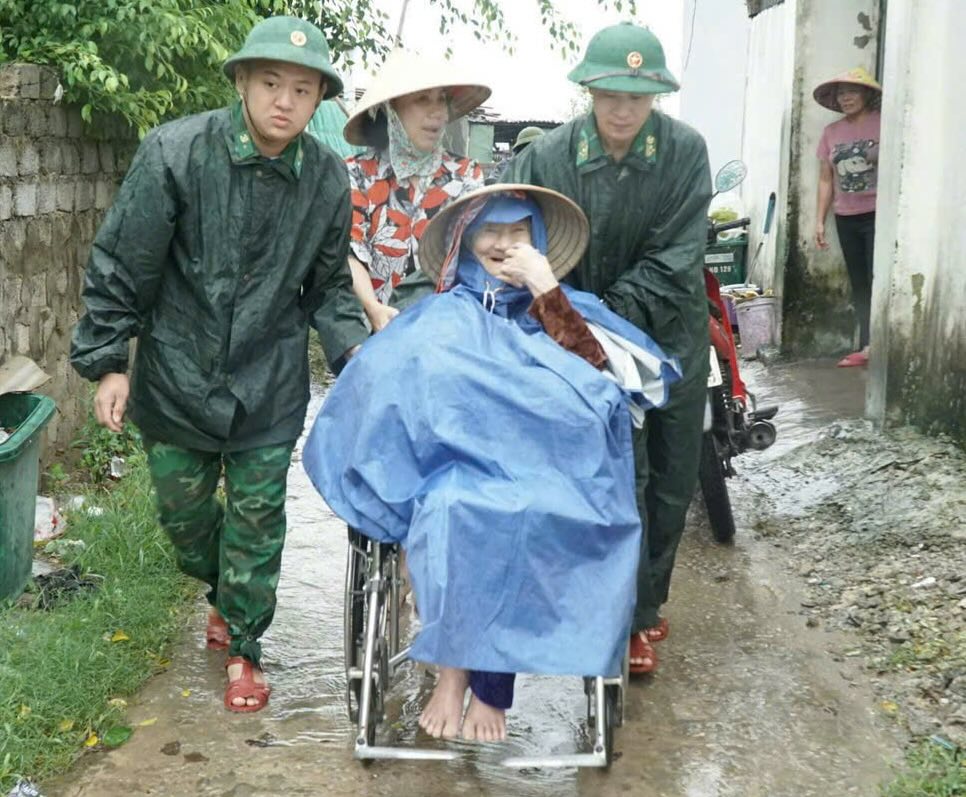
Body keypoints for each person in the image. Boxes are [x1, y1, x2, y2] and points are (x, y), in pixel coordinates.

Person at [303, 185, 680, 740]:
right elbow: (387, 394)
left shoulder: (565, 310)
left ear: (540, 242)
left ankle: (491, 689)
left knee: (523, 514)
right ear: (464, 241)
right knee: (454, 514)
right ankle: (454, 676)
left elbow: (610, 384)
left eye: (519, 233)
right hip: (451, 476)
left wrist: (545, 289)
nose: (504, 245)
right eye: (490, 233)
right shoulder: (437, 317)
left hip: (550, 476)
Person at [69, 16, 369, 713]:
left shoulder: (326, 179)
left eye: (302, 89)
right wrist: (110, 361)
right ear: (241, 80)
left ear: (318, 98)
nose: (284, 102)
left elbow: (328, 283)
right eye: (270, 83)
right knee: (185, 519)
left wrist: (354, 351)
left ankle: (243, 646)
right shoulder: (176, 153)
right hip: (177, 374)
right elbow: (124, 261)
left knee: (259, 517)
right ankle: (222, 591)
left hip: (269, 381)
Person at [502, 22, 712, 675]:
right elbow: (511, 226)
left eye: (639, 94)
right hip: (582, 343)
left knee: (671, 480)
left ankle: (645, 604)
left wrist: (591, 314)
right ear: (589, 88)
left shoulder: (685, 153)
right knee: (617, 473)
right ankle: (621, 617)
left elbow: (676, 261)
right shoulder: (548, 156)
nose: (623, 108)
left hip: (668, 335)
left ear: (657, 97)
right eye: (611, 92)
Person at [342, 49, 490, 332]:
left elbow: (470, 259)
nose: (436, 112)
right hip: (374, 334)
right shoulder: (357, 174)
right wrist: (374, 309)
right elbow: (351, 252)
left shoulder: (466, 176)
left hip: (446, 333)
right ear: (392, 109)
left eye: (441, 100)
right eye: (422, 100)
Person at [813, 67, 882, 368]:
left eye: (852, 91)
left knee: (876, 278)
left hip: (879, 213)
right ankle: (866, 345)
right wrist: (819, 220)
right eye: (841, 93)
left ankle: (881, 344)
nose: (846, 98)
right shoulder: (832, 133)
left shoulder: (884, 125)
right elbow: (826, 179)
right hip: (846, 216)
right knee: (860, 282)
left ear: (867, 94)